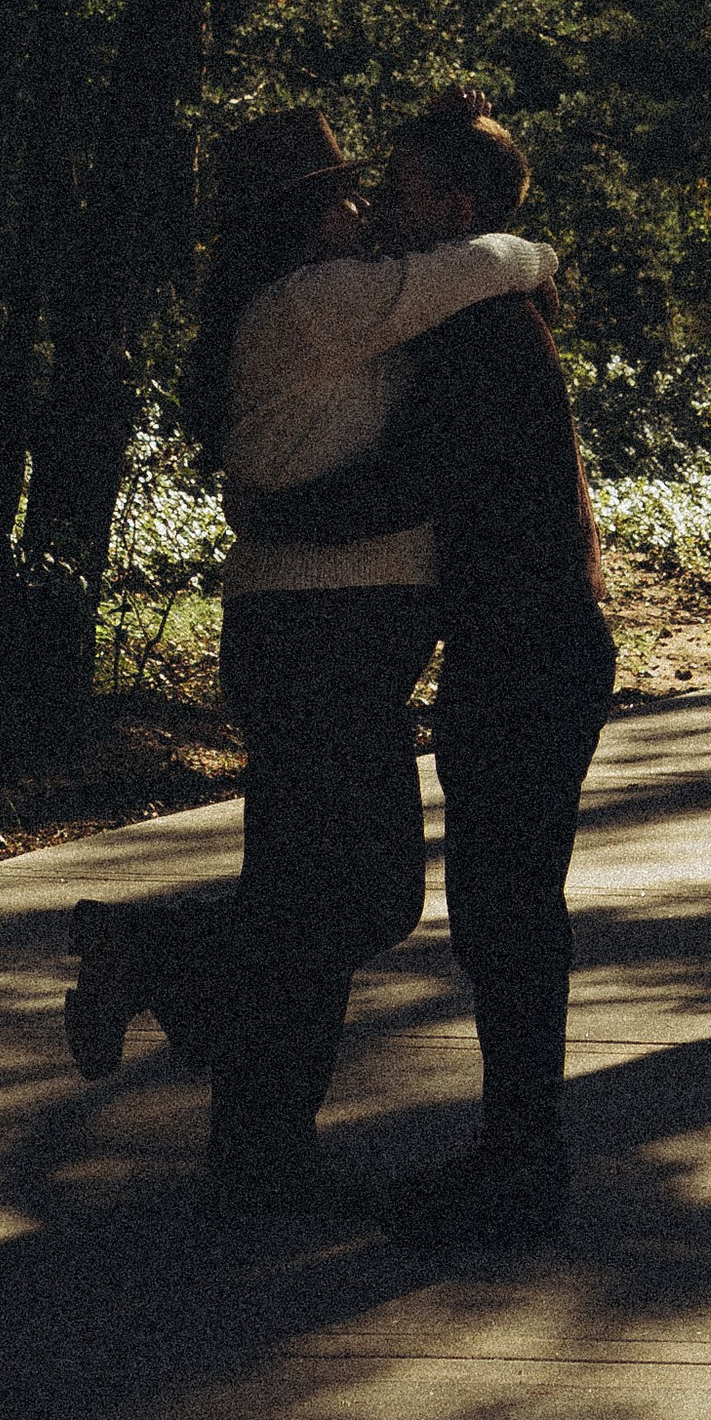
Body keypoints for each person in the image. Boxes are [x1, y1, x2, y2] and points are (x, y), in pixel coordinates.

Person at [63, 107, 558, 1221]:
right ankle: (150, 949)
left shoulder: (321, 310)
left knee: (302, 901)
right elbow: (486, 259)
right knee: (363, 900)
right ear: (296, 224)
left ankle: (259, 1155)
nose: (364, 213)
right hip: (316, 637)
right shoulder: (312, 304)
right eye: (342, 200)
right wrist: (538, 254)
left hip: (320, 636)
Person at [227, 87, 615, 1252]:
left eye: (396, 195)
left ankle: (519, 1163)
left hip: (529, 644)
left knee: (506, 912)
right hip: (519, 640)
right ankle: (513, 1153)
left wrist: (270, 518)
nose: (383, 217)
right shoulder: (472, 314)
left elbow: (414, 483)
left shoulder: (482, 330)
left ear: (450, 204)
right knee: (500, 908)